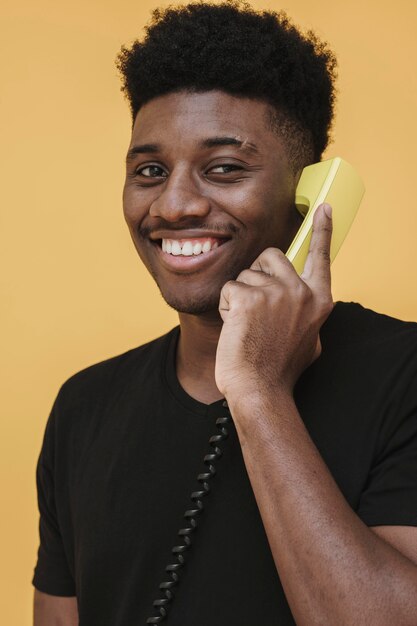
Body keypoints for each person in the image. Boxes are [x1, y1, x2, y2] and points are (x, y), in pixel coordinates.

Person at [32, 2, 417, 625]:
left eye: (225, 169)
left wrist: (260, 392)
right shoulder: (83, 407)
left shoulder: (404, 376)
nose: (174, 203)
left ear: (309, 196)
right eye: (150, 171)